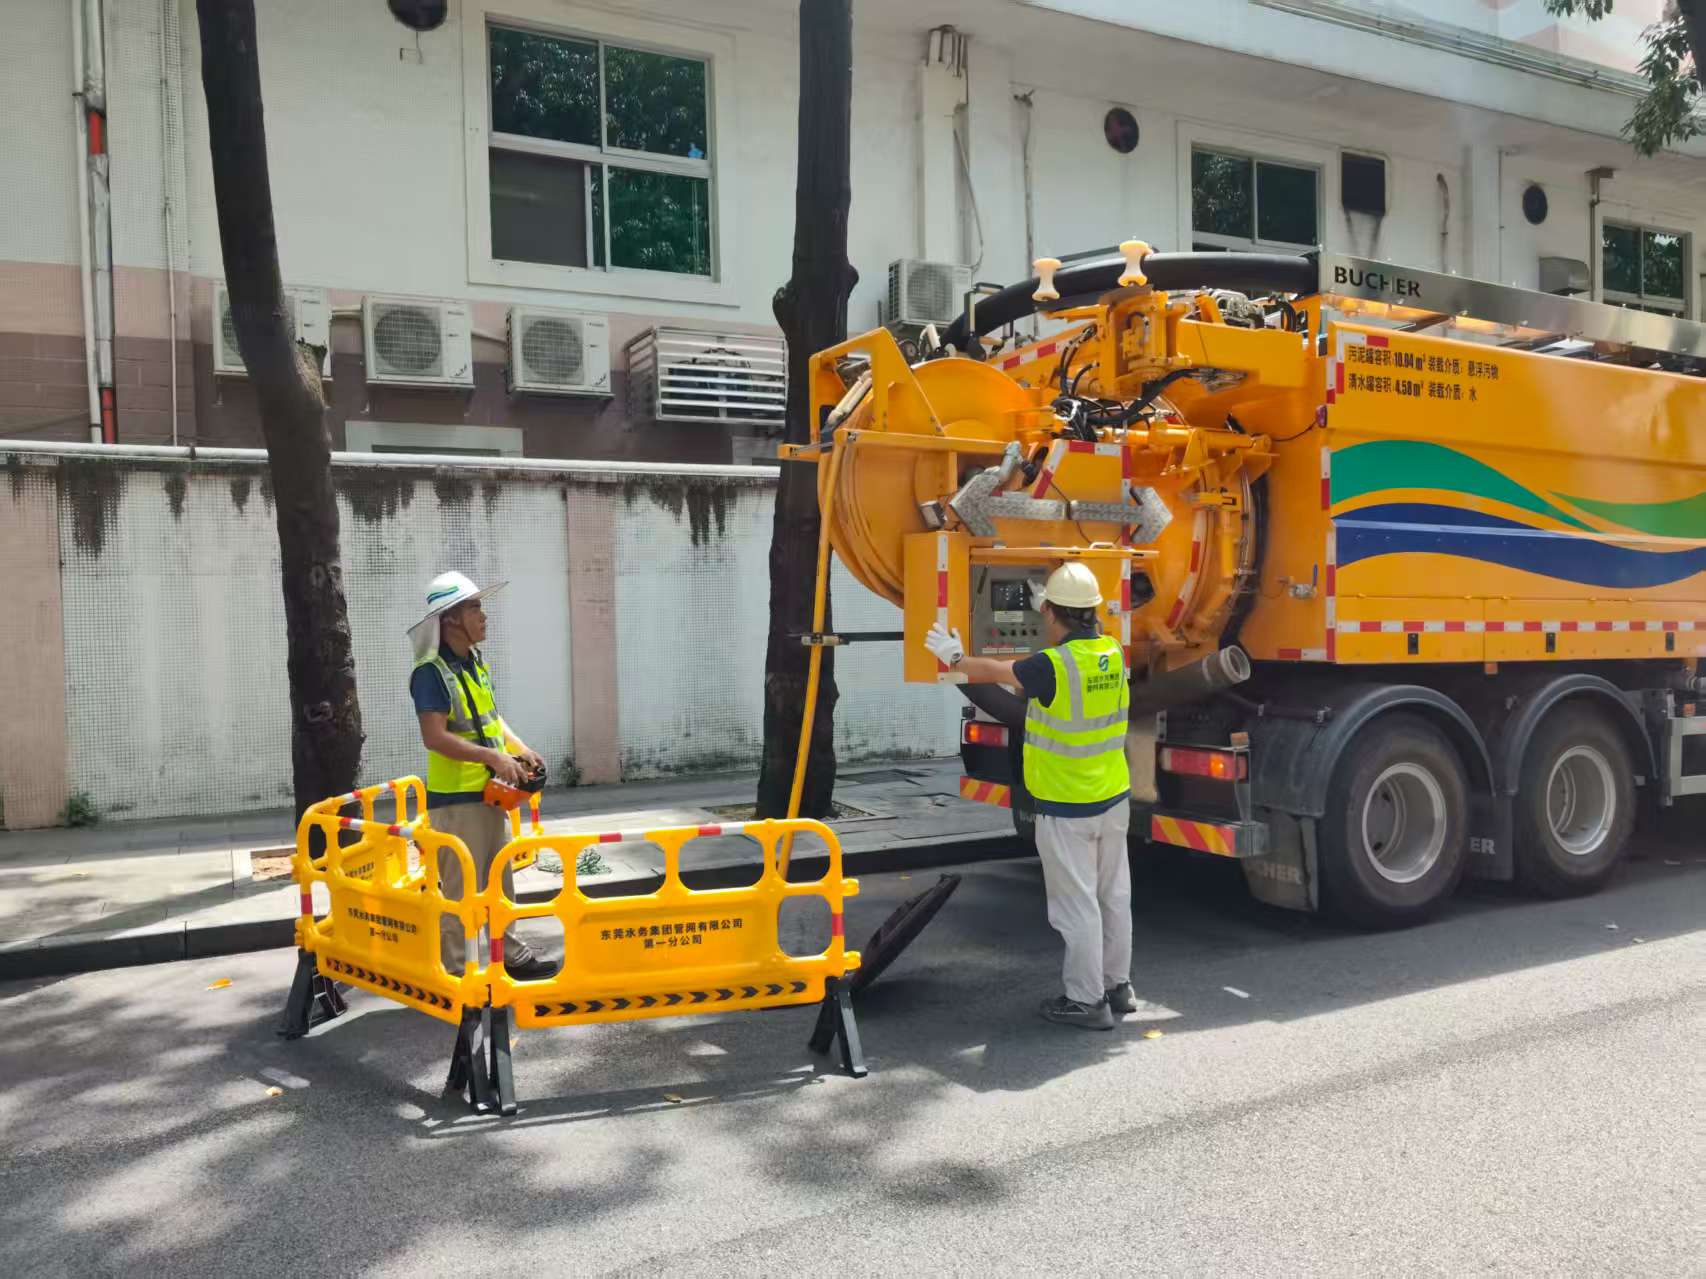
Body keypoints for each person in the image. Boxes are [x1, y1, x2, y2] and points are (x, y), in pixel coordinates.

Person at [926, 562, 1134, 1030]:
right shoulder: (1113, 651)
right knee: (1113, 895)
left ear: (1051, 612)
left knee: (1076, 906)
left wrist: (955, 658)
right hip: (1112, 797)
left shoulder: (1053, 665)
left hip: (1066, 804)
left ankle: (1086, 1002)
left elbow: (998, 669)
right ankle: (1117, 986)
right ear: (1093, 611)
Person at [408, 570, 554, 981]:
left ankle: (511, 956)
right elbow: (434, 737)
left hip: (490, 793)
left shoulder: (472, 661)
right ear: (452, 618)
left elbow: (491, 717)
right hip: (456, 802)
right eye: (474, 608)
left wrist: (519, 748)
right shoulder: (430, 673)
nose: (483, 615)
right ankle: (457, 976)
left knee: (499, 881)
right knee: (461, 893)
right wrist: (493, 757)